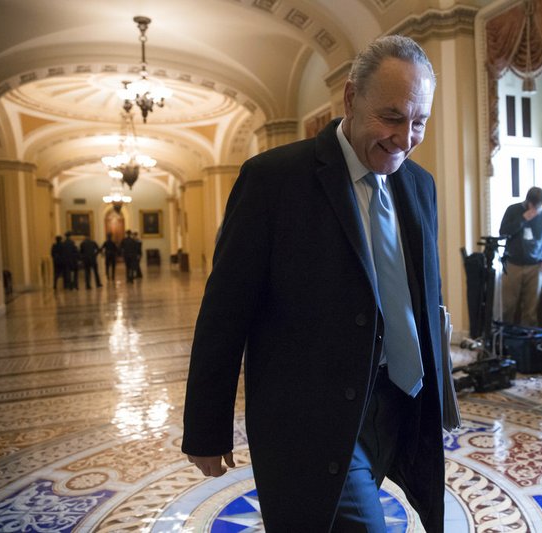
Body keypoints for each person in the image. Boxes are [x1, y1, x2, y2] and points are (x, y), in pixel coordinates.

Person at [182, 35, 446, 531]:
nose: (405, 138)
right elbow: (224, 311)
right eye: (391, 117)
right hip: (313, 416)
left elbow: (419, 293)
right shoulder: (274, 181)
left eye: (420, 122)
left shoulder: (419, 184)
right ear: (350, 99)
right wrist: (206, 426)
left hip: (398, 402)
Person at [498, 186, 542, 326]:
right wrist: (522, 220)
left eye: (538, 206)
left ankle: (526, 345)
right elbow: (503, 232)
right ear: (528, 202)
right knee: (507, 308)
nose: (535, 209)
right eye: (533, 205)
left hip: (535, 267)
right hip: (512, 265)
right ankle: (506, 342)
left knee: (530, 312)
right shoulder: (513, 210)